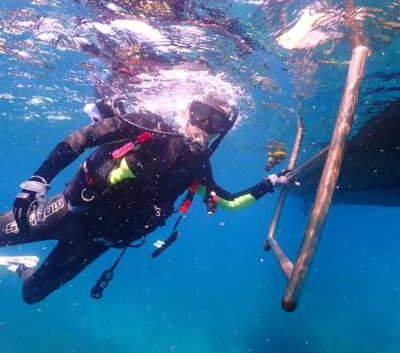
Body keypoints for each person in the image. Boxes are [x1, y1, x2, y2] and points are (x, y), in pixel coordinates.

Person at [1, 96, 291, 304]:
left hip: (98, 242)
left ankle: (23, 267)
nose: (203, 125)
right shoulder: (146, 126)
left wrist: (269, 184)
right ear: (185, 111)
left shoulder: (198, 167)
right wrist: (37, 182)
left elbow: (229, 203)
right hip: (69, 212)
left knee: (32, 295)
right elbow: (82, 138)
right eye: (200, 113)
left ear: (220, 132)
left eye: (215, 121)